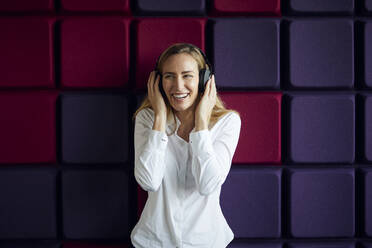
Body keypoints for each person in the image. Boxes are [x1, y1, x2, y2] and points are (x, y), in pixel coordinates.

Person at [130, 43, 241, 248]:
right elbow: (148, 181)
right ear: (158, 81)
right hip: (153, 242)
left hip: (206, 242)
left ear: (204, 80)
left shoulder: (228, 122)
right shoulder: (148, 118)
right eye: (169, 76)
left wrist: (200, 123)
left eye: (187, 75)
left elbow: (207, 185)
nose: (178, 86)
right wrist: (160, 117)